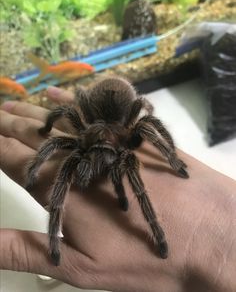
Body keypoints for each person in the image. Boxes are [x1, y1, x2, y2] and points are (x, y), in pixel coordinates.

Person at [0, 86, 235, 292]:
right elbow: (59, 123)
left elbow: (148, 116)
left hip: (116, 130)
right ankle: (53, 234)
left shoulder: (133, 134)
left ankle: (156, 230)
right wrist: (33, 170)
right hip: (95, 129)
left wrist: (172, 159)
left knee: (140, 169)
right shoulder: (77, 133)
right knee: (60, 173)